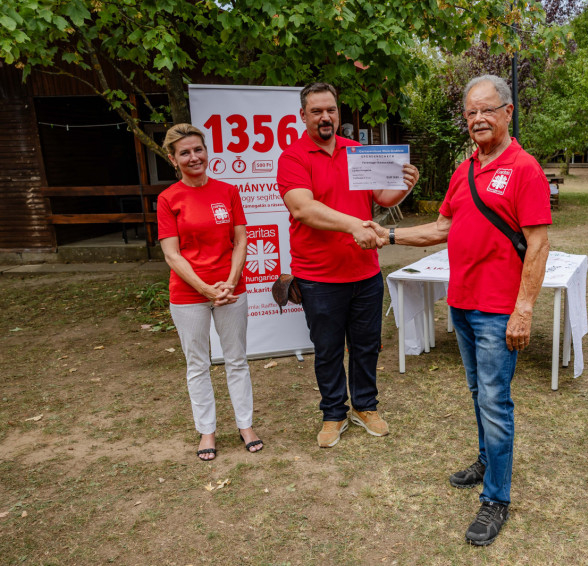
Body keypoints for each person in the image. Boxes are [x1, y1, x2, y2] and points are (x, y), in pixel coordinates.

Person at [364, 75, 551, 546]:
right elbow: (441, 229)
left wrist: (524, 308)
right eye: (471, 112)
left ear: (508, 112)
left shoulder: (524, 168)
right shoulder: (464, 170)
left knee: (495, 400)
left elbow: (539, 244)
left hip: (498, 310)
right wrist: (387, 234)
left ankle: (497, 498)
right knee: (478, 392)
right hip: (463, 303)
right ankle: (488, 461)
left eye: (487, 110)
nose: (478, 119)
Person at [276, 83, 419, 449]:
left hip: (365, 272)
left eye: (331, 110)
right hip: (318, 276)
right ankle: (333, 413)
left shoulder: (357, 152)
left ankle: (365, 406)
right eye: (317, 111)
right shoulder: (293, 158)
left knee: (366, 346)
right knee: (327, 350)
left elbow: (382, 197)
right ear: (303, 116)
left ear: (338, 113)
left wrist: (405, 186)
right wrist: (354, 225)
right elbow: (302, 208)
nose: (325, 117)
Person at [157, 123, 263, 460]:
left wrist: (229, 282)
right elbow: (172, 254)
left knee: (237, 360)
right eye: (184, 153)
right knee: (197, 364)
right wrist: (205, 289)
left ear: (206, 152)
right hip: (189, 295)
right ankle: (207, 431)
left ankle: (245, 425)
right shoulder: (167, 199)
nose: (194, 157)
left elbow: (241, 240)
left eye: (198, 150)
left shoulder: (228, 191)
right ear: (173, 159)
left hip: (231, 290)